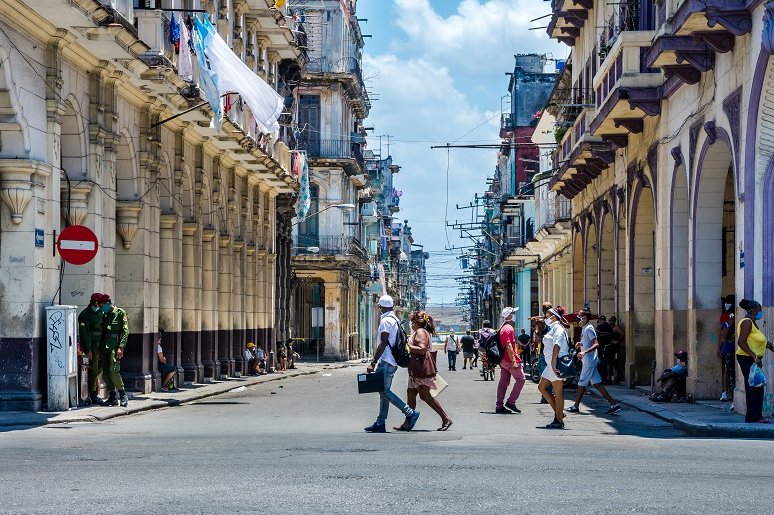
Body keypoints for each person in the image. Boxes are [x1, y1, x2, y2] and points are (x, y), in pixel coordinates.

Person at [364, 294, 420, 433]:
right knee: (383, 391)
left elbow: (383, 343)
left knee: (383, 391)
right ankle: (380, 422)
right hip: (392, 360)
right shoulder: (395, 320)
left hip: (386, 360)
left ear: (380, 306)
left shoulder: (385, 321)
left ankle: (410, 413)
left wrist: (373, 362)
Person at [394, 311, 452, 432]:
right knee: (411, 395)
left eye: (412, 322)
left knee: (425, 396)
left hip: (420, 369)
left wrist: (408, 347)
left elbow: (422, 349)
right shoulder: (420, 332)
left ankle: (446, 418)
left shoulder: (420, 332)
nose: (411, 324)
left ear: (416, 322)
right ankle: (407, 422)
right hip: (416, 369)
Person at [567, 310, 622, 414]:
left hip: (589, 361)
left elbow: (596, 344)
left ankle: (575, 406)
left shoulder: (589, 328)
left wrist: (584, 352)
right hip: (589, 361)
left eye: (580, 315)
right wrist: (580, 344)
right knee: (597, 384)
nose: (578, 317)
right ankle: (613, 404)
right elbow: (588, 343)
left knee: (581, 384)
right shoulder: (585, 328)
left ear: (585, 318)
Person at [735, 299, 774, 423]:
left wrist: (768, 345)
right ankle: (754, 416)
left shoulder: (752, 322)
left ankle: (754, 416)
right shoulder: (747, 322)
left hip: (751, 358)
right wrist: (754, 357)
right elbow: (741, 342)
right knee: (754, 387)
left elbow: (756, 339)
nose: (761, 312)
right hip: (747, 358)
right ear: (754, 310)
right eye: (759, 309)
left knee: (757, 386)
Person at [537, 306, 570, 429]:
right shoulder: (553, 328)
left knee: (558, 392)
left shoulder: (558, 328)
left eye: (547, 315)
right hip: (551, 363)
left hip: (555, 364)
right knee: (542, 387)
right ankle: (559, 412)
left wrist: (553, 362)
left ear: (554, 316)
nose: (545, 317)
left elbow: (557, 345)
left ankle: (558, 419)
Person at [98, 294, 129, 407]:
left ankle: (123, 394)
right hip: (104, 346)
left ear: (108, 303)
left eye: (102, 306)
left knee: (113, 370)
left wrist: (121, 347)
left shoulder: (120, 313)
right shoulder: (105, 315)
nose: (101, 308)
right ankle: (112, 396)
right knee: (105, 372)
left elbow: (125, 332)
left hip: (114, 346)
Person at [495, 307, 526, 414]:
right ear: (509, 316)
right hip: (509, 359)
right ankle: (511, 402)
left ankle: (499, 405)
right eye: (513, 313)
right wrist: (514, 361)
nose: (514, 315)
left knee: (503, 382)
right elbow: (509, 345)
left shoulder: (502, 328)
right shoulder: (509, 328)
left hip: (503, 360)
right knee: (521, 379)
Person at [78, 292, 105, 406]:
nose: (102, 305)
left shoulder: (100, 312)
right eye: (100, 302)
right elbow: (85, 333)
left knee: (100, 368)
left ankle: (94, 391)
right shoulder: (85, 314)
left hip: (100, 345)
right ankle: (92, 394)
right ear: (95, 302)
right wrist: (88, 350)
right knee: (93, 369)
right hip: (92, 346)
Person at [718, 294, 736, 401]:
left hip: (734, 349)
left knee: (730, 371)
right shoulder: (726, 318)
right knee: (728, 371)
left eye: (728, 302)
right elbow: (723, 336)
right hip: (728, 349)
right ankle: (726, 393)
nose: (726, 304)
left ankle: (729, 394)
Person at [595, 315, 614, 383]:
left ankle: (602, 379)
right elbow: (612, 337)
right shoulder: (609, 327)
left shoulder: (599, 327)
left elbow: (595, 336)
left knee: (601, 363)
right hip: (609, 347)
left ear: (600, 320)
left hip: (601, 347)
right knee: (608, 363)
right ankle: (607, 378)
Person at [608, 315, 625, 383]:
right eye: (609, 320)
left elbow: (622, 334)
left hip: (615, 347)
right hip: (610, 346)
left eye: (611, 320)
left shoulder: (616, 327)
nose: (610, 322)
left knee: (613, 363)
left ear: (614, 321)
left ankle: (616, 377)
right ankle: (610, 377)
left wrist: (617, 341)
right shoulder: (609, 327)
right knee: (610, 363)